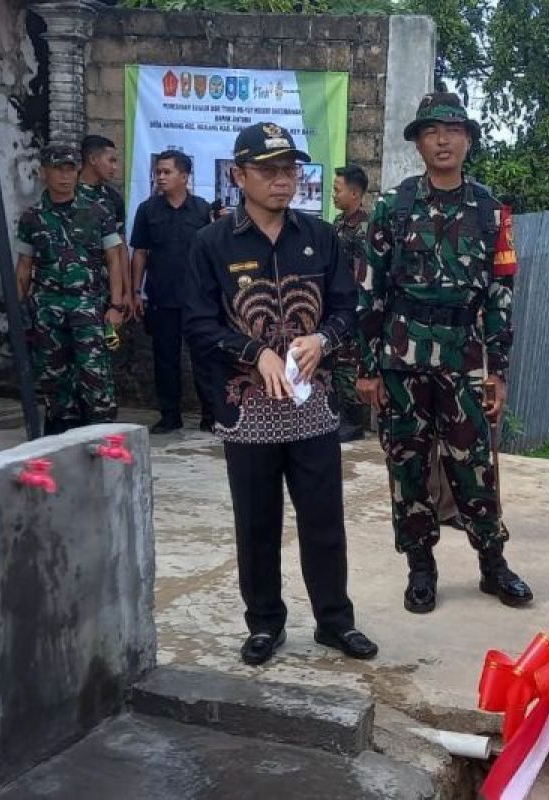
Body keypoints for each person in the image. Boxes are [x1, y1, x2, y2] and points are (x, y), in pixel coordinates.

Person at [185, 122, 377, 666]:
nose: (282, 180)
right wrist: (255, 353)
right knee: (257, 522)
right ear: (238, 175)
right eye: (268, 170)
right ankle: (265, 622)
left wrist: (323, 337)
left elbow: (347, 308)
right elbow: (198, 324)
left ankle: (335, 622)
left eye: (289, 169)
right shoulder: (212, 244)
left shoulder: (320, 236)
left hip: (311, 409)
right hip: (247, 412)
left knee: (324, 520)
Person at [356, 92, 533, 614]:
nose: (442, 139)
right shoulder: (394, 206)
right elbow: (369, 289)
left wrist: (497, 370)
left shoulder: (490, 210)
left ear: (469, 140)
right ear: (417, 142)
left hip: (464, 357)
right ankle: (420, 568)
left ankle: (492, 564)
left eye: (453, 130)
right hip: (401, 358)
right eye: (431, 131)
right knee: (407, 464)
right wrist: (367, 369)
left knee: (474, 464)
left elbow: (502, 293)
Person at [15, 145, 125, 434]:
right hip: (48, 309)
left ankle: (101, 432)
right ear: (43, 173)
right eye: (57, 169)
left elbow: (114, 259)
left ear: (78, 172)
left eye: (70, 169)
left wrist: (116, 305)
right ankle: (61, 430)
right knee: (54, 375)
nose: (64, 176)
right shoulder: (33, 217)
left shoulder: (98, 210)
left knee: (95, 372)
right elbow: (24, 266)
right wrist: (17, 308)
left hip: (88, 306)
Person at [129, 150, 216, 434]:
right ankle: (169, 415)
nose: (161, 177)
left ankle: (210, 415)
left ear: (184, 176)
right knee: (164, 359)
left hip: (197, 299)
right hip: (161, 297)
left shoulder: (203, 210)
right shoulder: (147, 210)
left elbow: (213, 256)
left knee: (204, 358)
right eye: (158, 172)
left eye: (167, 172)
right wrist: (135, 292)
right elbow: (140, 253)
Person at [330, 163, 371, 443]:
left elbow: (363, 272)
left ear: (354, 193)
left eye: (337, 189)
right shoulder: (339, 223)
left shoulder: (365, 228)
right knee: (338, 360)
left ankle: (355, 422)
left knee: (352, 362)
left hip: (356, 304)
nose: (334, 194)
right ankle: (341, 416)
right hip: (338, 303)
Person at [78, 134, 131, 314]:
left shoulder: (112, 199)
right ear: (92, 159)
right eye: (111, 161)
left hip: (102, 293)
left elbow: (120, 248)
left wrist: (126, 292)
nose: (115, 167)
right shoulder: (66, 192)